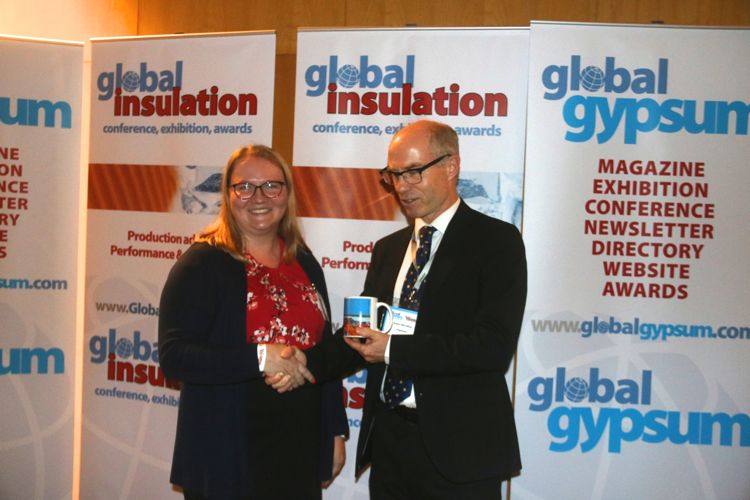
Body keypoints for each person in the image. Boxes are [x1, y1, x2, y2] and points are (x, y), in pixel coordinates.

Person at [299, 120, 527, 499]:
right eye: (394, 175)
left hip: (460, 452)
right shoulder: (388, 250)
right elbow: (358, 334)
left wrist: (391, 349)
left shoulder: (496, 242)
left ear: (451, 166)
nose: (402, 186)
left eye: (413, 172)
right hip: (390, 445)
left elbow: (491, 347)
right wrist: (301, 364)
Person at [158, 144, 348, 499]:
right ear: (228, 195)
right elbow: (174, 356)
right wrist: (261, 357)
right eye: (244, 187)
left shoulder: (304, 261)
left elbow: (325, 351)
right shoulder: (202, 263)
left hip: (299, 447)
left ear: (287, 194)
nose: (258, 197)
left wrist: (335, 429)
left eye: (271, 186)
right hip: (228, 450)